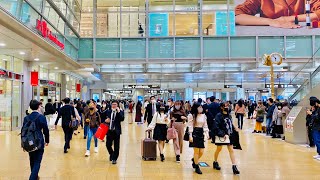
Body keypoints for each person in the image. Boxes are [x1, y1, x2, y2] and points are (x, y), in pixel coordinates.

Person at [235, 0, 320, 29]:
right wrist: (271, 22)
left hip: (302, 40)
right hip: (271, 41)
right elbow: (237, 16)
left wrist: (290, 19)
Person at [23, 100, 49, 180]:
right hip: (39, 141)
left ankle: (35, 176)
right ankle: (32, 178)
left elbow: (23, 131)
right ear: (38, 107)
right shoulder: (41, 117)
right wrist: (47, 140)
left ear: (30, 107)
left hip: (29, 141)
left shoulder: (26, 118)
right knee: (37, 161)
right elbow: (46, 130)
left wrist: (23, 143)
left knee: (32, 159)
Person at [212, 102, 240, 175]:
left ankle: (234, 166)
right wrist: (222, 134)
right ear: (221, 107)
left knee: (231, 150)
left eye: (228, 105)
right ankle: (215, 161)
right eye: (226, 106)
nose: (227, 107)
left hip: (229, 135)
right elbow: (216, 127)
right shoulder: (218, 116)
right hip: (222, 136)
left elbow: (230, 124)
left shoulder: (229, 115)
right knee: (219, 149)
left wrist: (234, 128)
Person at [188, 103, 209, 174]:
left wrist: (207, 133)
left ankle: (194, 160)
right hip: (194, 133)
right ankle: (196, 166)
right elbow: (190, 126)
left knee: (201, 151)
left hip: (201, 133)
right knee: (196, 151)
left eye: (201, 107)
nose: (201, 108)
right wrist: (190, 135)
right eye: (199, 107)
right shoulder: (192, 115)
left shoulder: (204, 115)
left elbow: (205, 125)